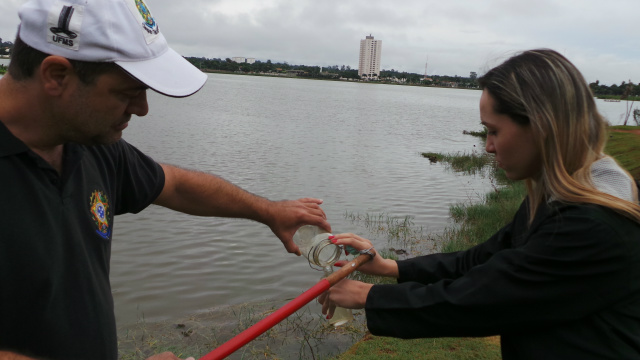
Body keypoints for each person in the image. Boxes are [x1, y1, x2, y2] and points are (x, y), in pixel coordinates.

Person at [0, 0, 330, 359]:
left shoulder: (87, 143)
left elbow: (172, 184)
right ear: (57, 76)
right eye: (127, 93)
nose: (142, 108)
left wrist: (268, 212)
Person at [319, 49, 640, 359]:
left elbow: (487, 299)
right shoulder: (560, 197)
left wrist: (368, 295)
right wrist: (391, 267)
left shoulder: (593, 225)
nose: (487, 147)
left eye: (494, 131)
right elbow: (479, 261)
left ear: (542, 127)